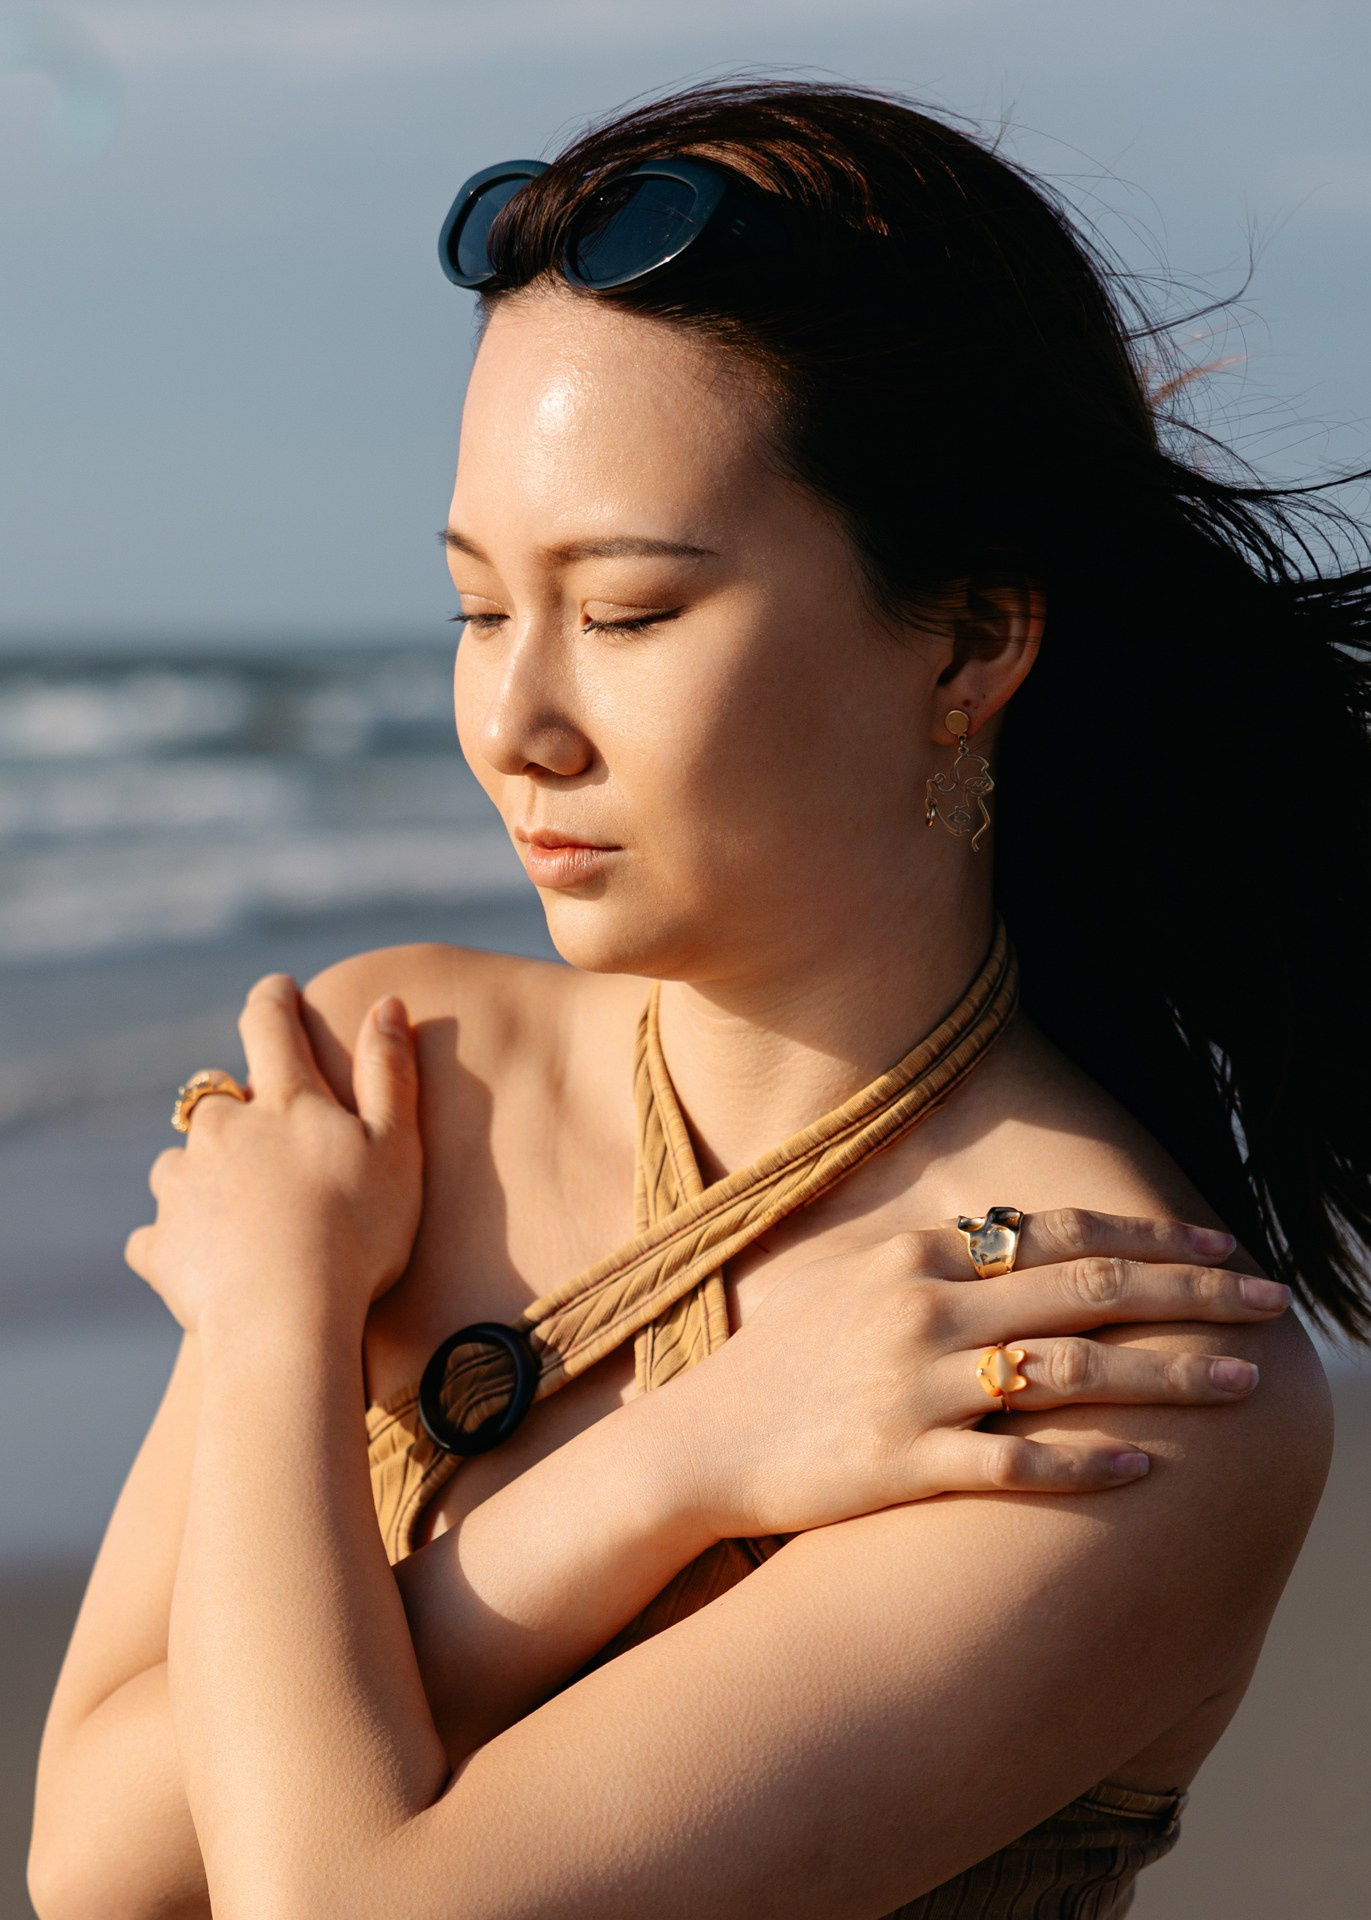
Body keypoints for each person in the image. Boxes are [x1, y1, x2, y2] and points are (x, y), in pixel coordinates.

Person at [30, 79, 1370, 1920]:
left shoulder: (1107, 1353)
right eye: (479, 611)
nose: (514, 724)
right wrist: (666, 1473)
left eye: (631, 612)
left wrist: (279, 1320)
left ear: (975, 636)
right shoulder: (403, 1074)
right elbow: (95, 1864)